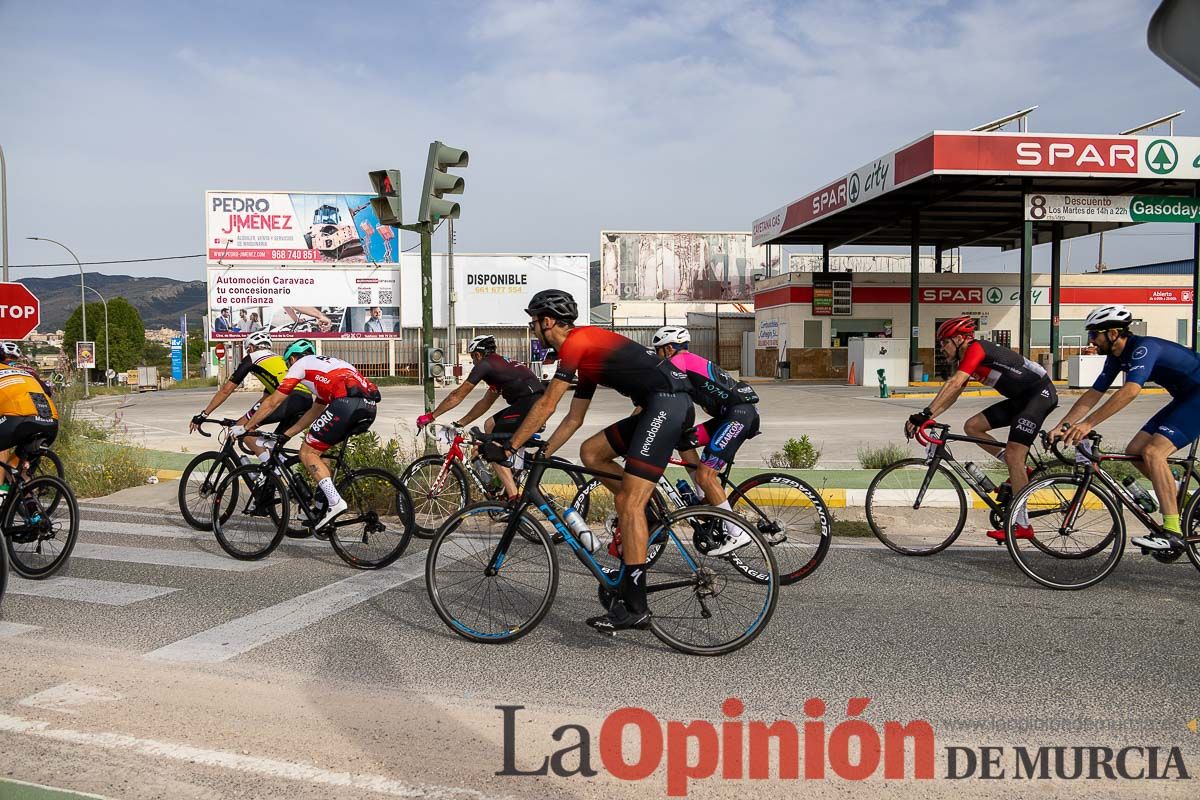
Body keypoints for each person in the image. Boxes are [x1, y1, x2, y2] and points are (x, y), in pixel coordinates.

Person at [492, 290, 692, 634]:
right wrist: (545, 451)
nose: (533, 329)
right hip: (660, 404)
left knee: (629, 502)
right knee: (591, 453)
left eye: (534, 322)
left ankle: (636, 607)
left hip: (666, 405)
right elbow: (573, 418)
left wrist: (510, 447)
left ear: (548, 321)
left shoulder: (576, 344)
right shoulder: (587, 355)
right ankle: (646, 510)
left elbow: (547, 404)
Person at [1054, 304, 1200, 551]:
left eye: (1094, 335)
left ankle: (1173, 532)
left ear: (1113, 333)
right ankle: (1185, 503)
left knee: (1154, 453)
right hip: (1186, 397)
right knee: (1136, 450)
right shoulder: (1115, 358)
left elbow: (1130, 391)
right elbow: (1093, 394)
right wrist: (1063, 425)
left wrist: (1089, 423)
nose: (1092, 341)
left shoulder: (1144, 348)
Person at [905, 316, 1057, 542]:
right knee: (973, 426)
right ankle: (1018, 469)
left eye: (944, 342)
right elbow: (954, 394)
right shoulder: (967, 357)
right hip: (1020, 399)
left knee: (1016, 454)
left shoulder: (976, 349)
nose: (941, 348)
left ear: (958, 339)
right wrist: (929, 417)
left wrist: (924, 414)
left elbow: (954, 383)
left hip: (1038, 395)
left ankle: (1022, 524)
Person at [239, 341, 381, 533]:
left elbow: (273, 401)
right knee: (321, 452)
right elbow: (314, 412)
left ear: (293, 358)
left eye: (288, 364)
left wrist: (245, 427)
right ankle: (321, 507)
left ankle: (334, 501)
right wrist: (285, 435)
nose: (289, 369)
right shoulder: (329, 368)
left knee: (307, 453)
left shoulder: (301, 364)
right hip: (368, 406)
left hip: (346, 403)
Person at [651, 325, 760, 554]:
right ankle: (704, 501)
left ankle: (736, 532)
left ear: (669, 348)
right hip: (730, 416)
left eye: (658, 350)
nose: (658, 356)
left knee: (705, 473)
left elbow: (655, 395)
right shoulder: (688, 362)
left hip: (738, 415)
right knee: (683, 441)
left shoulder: (679, 362)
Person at [416, 334, 544, 502]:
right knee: (489, 425)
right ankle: (514, 473)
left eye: (472, 358)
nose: (473, 362)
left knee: (493, 449)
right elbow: (485, 402)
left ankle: (512, 498)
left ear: (477, 354)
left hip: (529, 405)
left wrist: (431, 416)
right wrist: (460, 423)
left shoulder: (484, 365)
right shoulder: (499, 366)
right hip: (534, 403)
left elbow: (457, 395)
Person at [190, 331, 314, 459]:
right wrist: (242, 420)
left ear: (251, 347)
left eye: (248, 349)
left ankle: (272, 472)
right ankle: (277, 473)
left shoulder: (253, 358)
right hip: (306, 401)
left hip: (289, 399)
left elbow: (226, 390)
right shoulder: (277, 360)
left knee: (247, 432)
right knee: (274, 447)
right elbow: (264, 400)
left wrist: (204, 414)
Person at [0, 342, 59, 495]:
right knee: (15, 467)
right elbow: (47, 391)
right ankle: (32, 511)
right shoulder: (25, 370)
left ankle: (1, 492)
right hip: (50, 421)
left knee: (4, 451)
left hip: (19, 419)